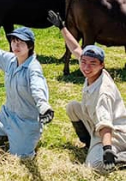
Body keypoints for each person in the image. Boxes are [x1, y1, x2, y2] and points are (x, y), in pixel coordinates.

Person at [48, 11, 126, 172]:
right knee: (73, 107)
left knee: (94, 166)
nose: (86, 67)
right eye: (83, 62)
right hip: (95, 122)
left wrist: (107, 149)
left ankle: (118, 155)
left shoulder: (103, 92)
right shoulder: (90, 68)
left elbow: (105, 125)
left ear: (102, 65)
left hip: (115, 133)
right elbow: (75, 47)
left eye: (92, 63)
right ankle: (89, 142)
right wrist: (62, 27)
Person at [0, 25, 54, 159]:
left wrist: (44, 107)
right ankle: (7, 134)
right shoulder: (11, 60)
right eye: (14, 41)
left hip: (25, 123)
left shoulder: (33, 69)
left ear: (30, 46)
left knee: (20, 157)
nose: (16, 45)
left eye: (21, 43)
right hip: (6, 117)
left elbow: (38, 89)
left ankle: (24, 138)